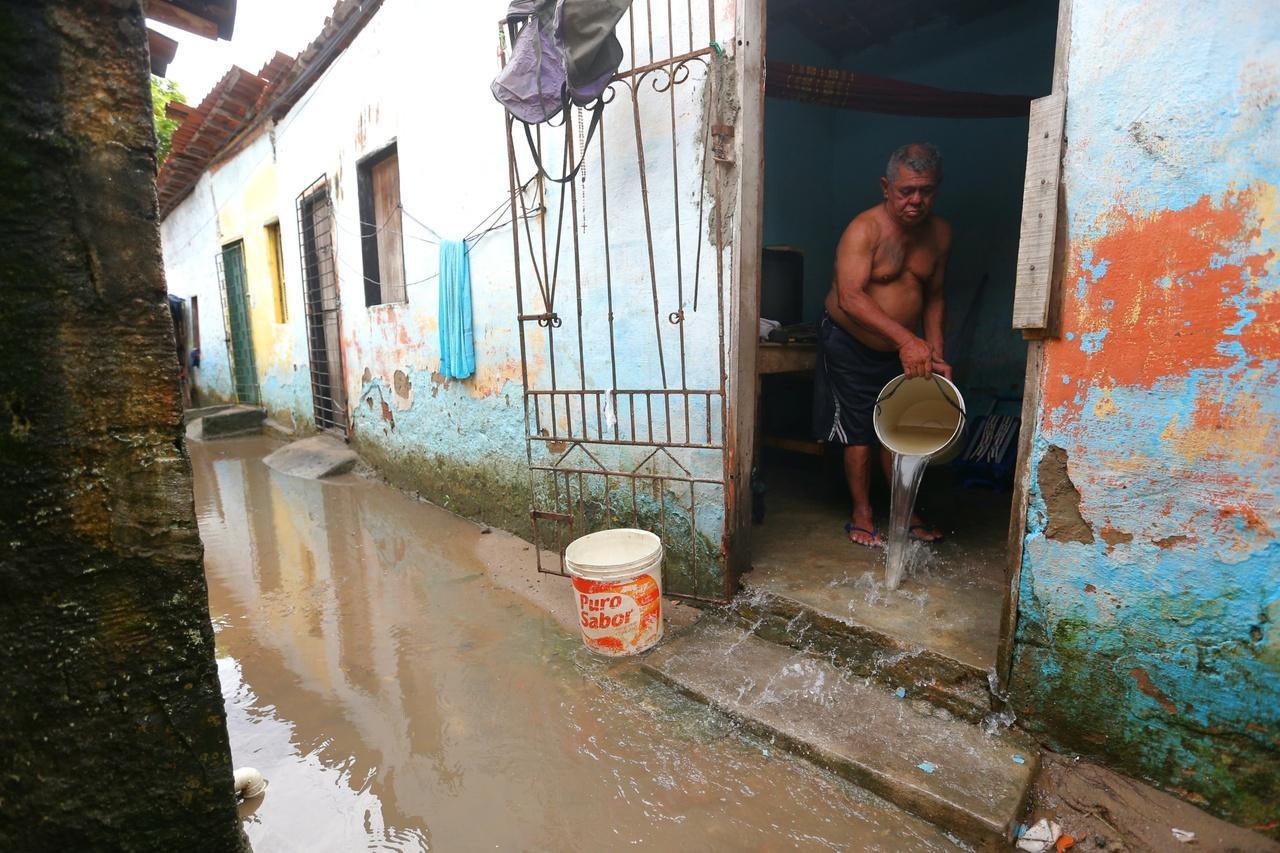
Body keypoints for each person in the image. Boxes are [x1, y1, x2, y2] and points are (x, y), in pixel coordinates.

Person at [813, 143, 951, 549]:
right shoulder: (865, 229)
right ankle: (862, 512)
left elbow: (936, 296)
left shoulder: (940, 235)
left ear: (937, 189)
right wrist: (909, 341)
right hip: (850, 343)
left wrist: (935, 351)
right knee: (859, 432)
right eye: (906, 190)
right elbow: (850, 297)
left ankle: (904, 513)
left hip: (902, 348)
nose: (916, 200)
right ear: (885, 187)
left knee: (899, 430)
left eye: (925, 190)